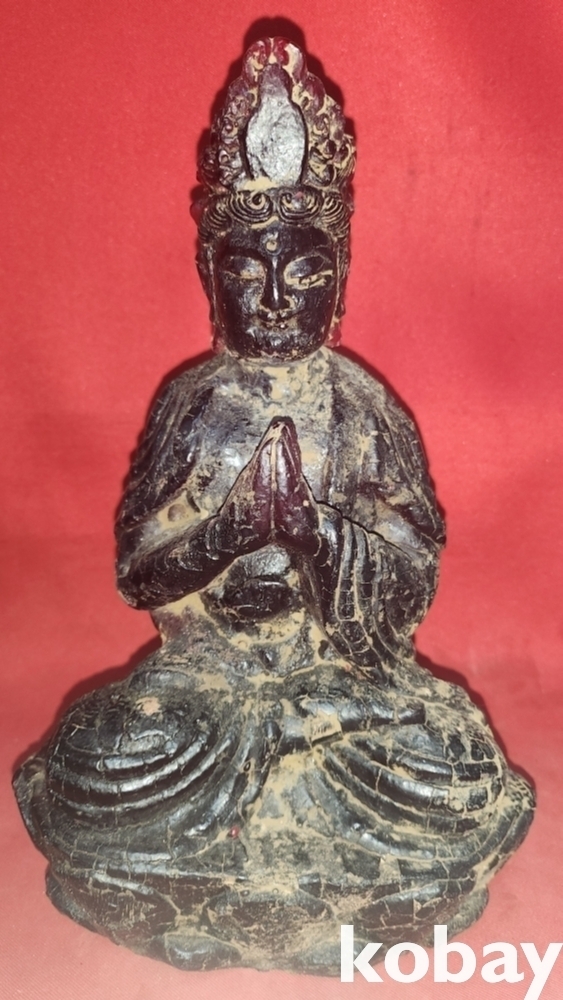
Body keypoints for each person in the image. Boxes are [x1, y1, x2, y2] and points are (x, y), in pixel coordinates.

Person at [14, 38, 534, 974]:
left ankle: (278, 798)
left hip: (342, 686)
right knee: (105, 749)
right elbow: (138, 575)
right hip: (204, 685)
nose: (274, 300)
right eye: (244, 274)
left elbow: (412, 575)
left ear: (341, 280)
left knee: (450, 765)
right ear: (207, 276)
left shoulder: (363, 409)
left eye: (304, 274)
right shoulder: (193, 404)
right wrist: (228, 533)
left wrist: (312, 533)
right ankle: (273, 843)